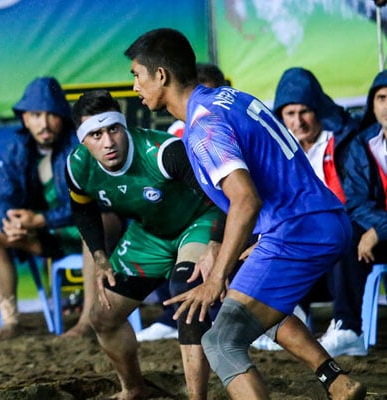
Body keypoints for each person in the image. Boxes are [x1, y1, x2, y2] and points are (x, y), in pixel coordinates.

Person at [124, 28, 366, 399]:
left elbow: (245, 199)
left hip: (297, 231)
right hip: (319, 219)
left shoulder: (204, 125)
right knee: (252, 296)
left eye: (137, 75)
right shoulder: (227, 98)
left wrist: (215, 276)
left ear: (161, 75)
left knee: (221, 342)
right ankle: (337, 381)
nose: (135, 87)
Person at [67, 89, 223, 400]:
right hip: (149, 234)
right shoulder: (78, 166)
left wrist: (216, 244)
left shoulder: (164, 151)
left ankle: (197, 397)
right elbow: (83, 210)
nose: (108, 142)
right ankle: (134, 388)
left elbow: (220, 197)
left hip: (197, 221)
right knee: (103, 315)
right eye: (96, 134)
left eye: (113, 129)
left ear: (124, 126)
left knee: (185, 292)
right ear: (83, 140)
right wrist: (100, 257)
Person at [0, 77, 122, 341]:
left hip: (92, 232)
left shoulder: (79, 144)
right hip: (49, 236)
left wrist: (42, 220)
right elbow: (3, 195)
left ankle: (88, 321)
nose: (43, 124)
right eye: (35, 115)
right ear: (24, 118)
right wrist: (7, 219)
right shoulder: (16, 147)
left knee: (98, 222)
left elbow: (94, 201)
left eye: (51, 115)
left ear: (63, 117)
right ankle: (10, 321)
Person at [273, 67, 366, 356]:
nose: (297, 122)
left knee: (339, 232)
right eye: (289, 114)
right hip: (305, 234)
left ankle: (348, 328)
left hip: (348, 225)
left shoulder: (343, 140)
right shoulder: (281, 149)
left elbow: (355, 196)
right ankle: (289, 320)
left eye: (304, 112)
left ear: (318, 110)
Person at [138, 62, 230, 343]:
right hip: (195, 212)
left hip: (230, 211)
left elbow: (239, 196)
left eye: (214, 96)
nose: (207, 106)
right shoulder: (175, 135)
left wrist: (216, 240)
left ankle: (257, 318)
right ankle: (172, 316)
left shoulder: (227, 125)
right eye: (202, 97)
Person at [341, 68, 387, 340]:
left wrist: (379, 230)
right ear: (372, 103)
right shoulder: (361, 143)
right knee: (345, 232)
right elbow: (356, 202)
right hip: (379, 240)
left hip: (380, 234)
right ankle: (347, 328)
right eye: (381, 98)